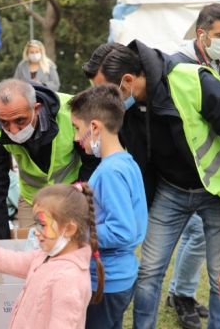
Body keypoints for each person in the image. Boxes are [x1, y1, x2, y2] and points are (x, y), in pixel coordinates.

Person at [83, 40, 220, 329]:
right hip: (169, 190)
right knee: (149, 271)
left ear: (127, 81)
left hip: (215, 191)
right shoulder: (121, 107)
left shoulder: (192, 81)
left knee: (219, 278)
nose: (101, 99)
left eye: (105, 90)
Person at [166, 3, 220, 328]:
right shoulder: (178, 64)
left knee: (200, 238)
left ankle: (181, 292)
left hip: (219, 171)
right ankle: (180, 293)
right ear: (202, 33)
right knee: (195, 234)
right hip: (188, 169)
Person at [0, 183, 103, 329]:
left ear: (68, 229)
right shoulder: (44, 256)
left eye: (42, 224)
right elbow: (7, 260)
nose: (36, 231)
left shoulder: (69, 280)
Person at [68, 84, 148, 329]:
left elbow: (122, 231)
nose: (75, 137)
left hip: (105, 282)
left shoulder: (109, 172)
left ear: (94, 127)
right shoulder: (125, 162)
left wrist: (74, 233)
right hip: (119, 277)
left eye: (76, 128)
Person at [0, 79, 99, 239]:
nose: (14, 130)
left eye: (20, 121)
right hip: (31, 200)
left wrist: (76, 199)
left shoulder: (71, 112)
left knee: (70, 249)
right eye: (5, 122)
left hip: (71, 193)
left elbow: (92, 162)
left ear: (36, 109)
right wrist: (1, 242)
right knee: (33, 251)